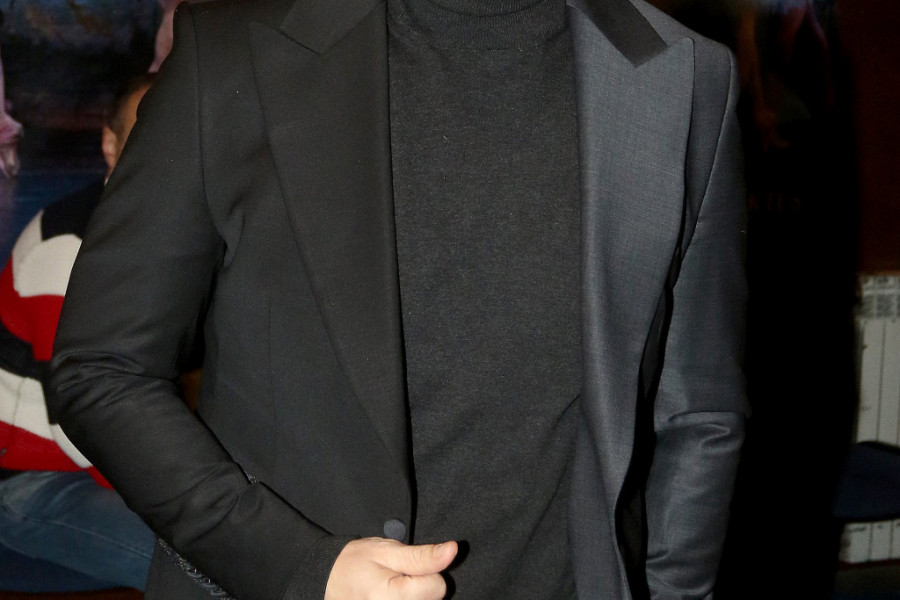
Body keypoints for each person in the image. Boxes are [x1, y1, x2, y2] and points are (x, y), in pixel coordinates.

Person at [49, 0, 748, 599]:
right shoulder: (234, 52)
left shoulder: (684, 74)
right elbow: (102, 367)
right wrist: (295, 567)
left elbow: (698, 411)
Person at [0, 74, 156, 592]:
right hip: (29, 481)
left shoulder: (173, 237)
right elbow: (81, 421)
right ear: (111, 145)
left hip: (106, 459)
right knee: (208, 567)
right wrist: (190, 501)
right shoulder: (66, 246)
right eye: (150, 130)